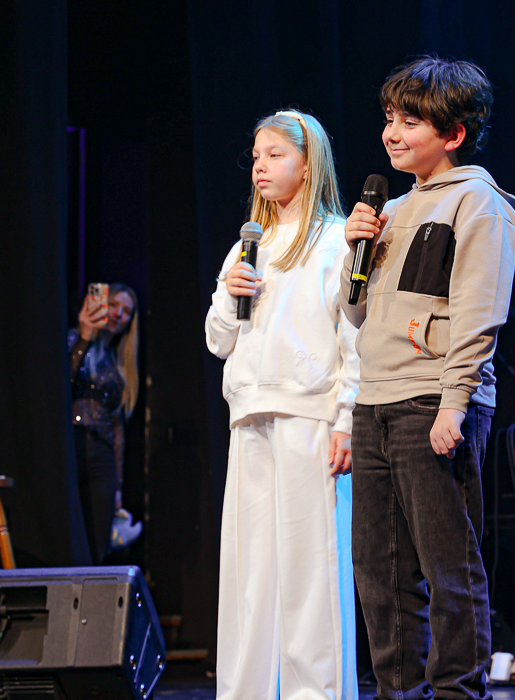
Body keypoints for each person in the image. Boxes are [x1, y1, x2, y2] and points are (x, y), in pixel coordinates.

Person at [342, 56, 515, 700]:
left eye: (409, 121)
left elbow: (479, 310)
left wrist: (455, 402)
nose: (391, 133)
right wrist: (355, 252)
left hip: (433, 400)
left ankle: (457, 692)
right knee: (380, 573)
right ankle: (398, 692)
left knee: (448, 568)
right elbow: (357, 313)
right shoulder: (392, 208)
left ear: (454, 133)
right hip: (376, 400)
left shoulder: (478, 202)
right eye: (390, 118)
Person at [205, 109, 361, 700]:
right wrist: (229, 294)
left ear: (308, 164)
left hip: (309, 416)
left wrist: (347, 418)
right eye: (256, 156)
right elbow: (218, 340)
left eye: (275, 155)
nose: (260, 167)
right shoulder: (247, 246)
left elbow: (355, 336)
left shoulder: (336, 240)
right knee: (249, 575)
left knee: (310, 572)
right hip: (250, 416)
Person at [68, 282, 139, 565]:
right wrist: (85, 336)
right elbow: (64, 383)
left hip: (102, 455)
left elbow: (118, 427)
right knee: (71, 531)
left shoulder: (120, 362)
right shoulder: (73, 341)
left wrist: (118, 486)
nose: (119, 314)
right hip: (71, 445)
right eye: (113, 305)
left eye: (126, 311)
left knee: (98, 537)